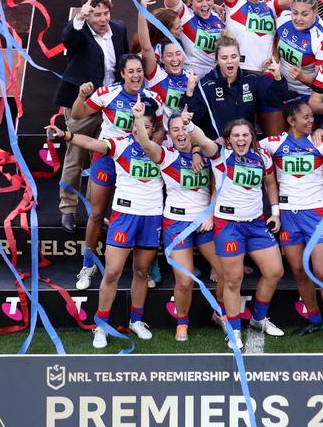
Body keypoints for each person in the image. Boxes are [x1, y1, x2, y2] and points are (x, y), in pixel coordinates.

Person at [46, 99, 161, 349]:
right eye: (137, 124)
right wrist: (66, 134)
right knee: (111, 272)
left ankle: (137, 321)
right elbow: (90, 142)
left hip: (152, 217)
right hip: (124, 216)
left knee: (142, 271)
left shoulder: (161, 151)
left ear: (153, 129)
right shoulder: (119, 144)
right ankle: (101, 325)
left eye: (147, 125)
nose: (141, 128)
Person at [181, 110, 285, 349]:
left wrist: (276, 212)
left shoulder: (262, 157)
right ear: (229, 138)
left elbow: (270, 183)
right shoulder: (221, 155)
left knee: (275, 271)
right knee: (232, 279)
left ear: (251, 136)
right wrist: (189, 125)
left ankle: (258, 319)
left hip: (257, 224)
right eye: (236, 135)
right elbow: (204, 141)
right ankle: (234, 329)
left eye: (245, 135)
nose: (241, 139)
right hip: (229, 225)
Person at [260, 101, 323, 344]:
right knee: (299, 270)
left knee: (321, 272)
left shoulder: (319, 141)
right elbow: (243, 147)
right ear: (291, 120)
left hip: (316, 214)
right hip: (288, 215)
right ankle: (314, 319)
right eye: (307, 117)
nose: (312, 121)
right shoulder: (274, 143)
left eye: (312, 117)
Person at [71, 54, 163, 290]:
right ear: (122, 73)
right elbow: (77, 115)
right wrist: (82, 96)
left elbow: (160, 129)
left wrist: (150, 148)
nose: (136, 75)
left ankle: (147, 266)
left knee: (143, 210)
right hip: (107, 156)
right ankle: (88, 264)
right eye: (130, 71)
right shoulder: (107, 93)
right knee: (97, 213)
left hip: (136, 159)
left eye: (139, 71)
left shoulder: (153, 98)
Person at [131, 109, 224, 342]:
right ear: (169, 134)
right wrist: (137, 119)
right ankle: (182, 324)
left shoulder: (205, 150)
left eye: (184, 128)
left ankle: (219, 312)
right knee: (184, 280)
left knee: (227, 273)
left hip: (204, 221)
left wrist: (210, 213)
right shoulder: (166, 155)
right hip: (176, 223)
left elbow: (216, 186)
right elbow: (145, 143)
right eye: (175, 130)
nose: (181, 134)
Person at [54, 0, 129, 233]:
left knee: (102, 157)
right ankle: (67, 208)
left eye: (105, 13)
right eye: (97, 14)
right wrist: (79, 18)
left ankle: (95, 212)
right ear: (88, 15)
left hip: (110, 104)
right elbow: (68, 39)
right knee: (75, 155)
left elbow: (124, 62)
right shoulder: (79, 31)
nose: (102, 19)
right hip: (82, 102)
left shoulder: (119, 29)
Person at [224, 0, 306, 135]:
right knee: (242, 136)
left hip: (267, 78)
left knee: (274, 138)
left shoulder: (270, 7)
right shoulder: (234, 4)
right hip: (241, 78)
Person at [179, 35, 289, 139]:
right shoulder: (206, 85)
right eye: (224, 57)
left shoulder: (251, 80)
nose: (230, 61)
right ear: (217, 60)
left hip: (247, 148)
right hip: (220, 151)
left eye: (234, 56)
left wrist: (278, 78)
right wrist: (189, 92)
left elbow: (275, 100)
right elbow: (193, 118)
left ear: (239, 57)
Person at [267, 0, 323, 135]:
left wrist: (302, 77)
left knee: (299, 138)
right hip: (281, 86)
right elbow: (276, 42)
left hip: (305, 95)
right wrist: (275, 58)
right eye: (295, 13)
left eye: (304, 14)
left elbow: (321, 86)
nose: (298, 19)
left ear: (315, 12)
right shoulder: (283, 18)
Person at [139, 0, 191, 133]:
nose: (174, 58)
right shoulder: (156, 73)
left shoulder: (191, 77)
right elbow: (146, 47)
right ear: (161, 57)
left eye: (178, 54)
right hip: (159, 132)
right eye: (169, 55)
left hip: (183, 133)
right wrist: (142, 11)